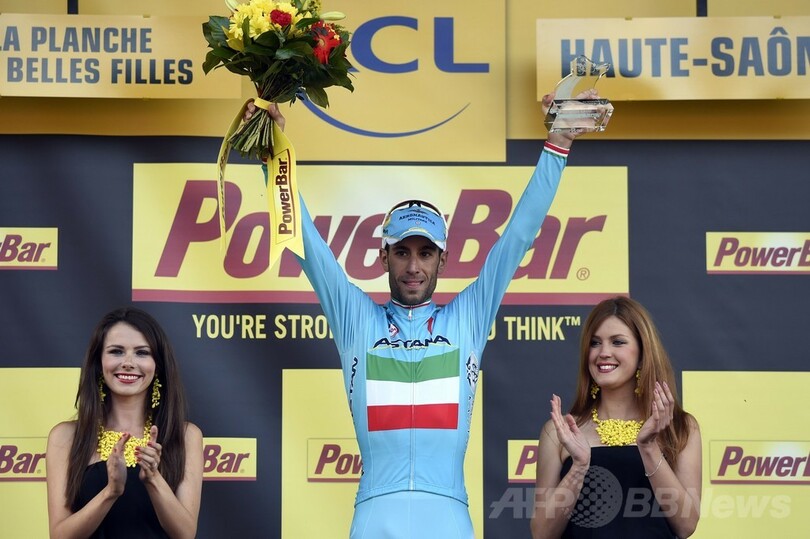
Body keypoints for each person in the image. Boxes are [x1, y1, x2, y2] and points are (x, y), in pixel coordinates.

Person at [252, 89, 593, 538]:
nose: (413, 266)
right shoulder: (356, 319)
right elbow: (306, 244)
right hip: (375, 518)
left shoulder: (467, 318)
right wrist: (271, 157)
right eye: (402, 252)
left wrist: (559, 143)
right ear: (383, 257)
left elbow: (518, 236)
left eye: (426, 253)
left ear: (442, 260)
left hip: (447, 517)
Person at [530, 296, 702, 539]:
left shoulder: (680, 427)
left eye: (618, 342)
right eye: (595, 343)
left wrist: (648, 448)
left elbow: (686, 525)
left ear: (642, 354)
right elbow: (541, 533)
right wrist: (579, 468)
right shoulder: (560, 432)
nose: (604, 353)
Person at [46, 307, 203, 539]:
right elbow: (59, 535)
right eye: (116, 351)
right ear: (99, 362)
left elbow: (185, 534)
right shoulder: (65, 436)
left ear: (157, 365)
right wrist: (110, 492)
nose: (128, 363)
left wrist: (153, 478)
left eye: (142, 353)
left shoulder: (185, 435)